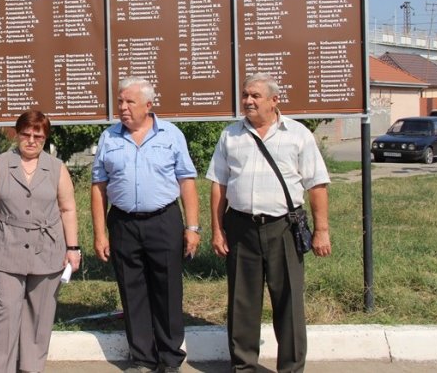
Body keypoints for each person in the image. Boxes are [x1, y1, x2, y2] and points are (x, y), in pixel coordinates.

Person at [206, 72, 332, 373]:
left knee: (289, 303)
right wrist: (217, 229)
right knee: (242, 303)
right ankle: (244, 366)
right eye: (245, 95)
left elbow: (316, 185)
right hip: (240, 227)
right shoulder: (231, 135)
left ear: (274, 100)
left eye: (255, 96)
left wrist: (321, 231)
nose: (248, 101)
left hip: (284, 228)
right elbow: (218, 185)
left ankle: (290, 368)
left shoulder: (298, 134)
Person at [90, 77, 201, 373]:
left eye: (130, 102)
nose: (123, 108)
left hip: (164, 221)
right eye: (120, 102)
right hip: (123, 222)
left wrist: (192, 227)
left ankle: (169, 358)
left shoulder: (171, 135)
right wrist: (100, 233)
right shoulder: (109, 138)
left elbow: (187, 181)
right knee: (132, 290)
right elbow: (98, 186)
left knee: (167, 290)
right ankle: (142, 358)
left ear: (149, 105)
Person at [0, 109, 81, 373]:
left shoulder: (57, 169)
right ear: (17, 133)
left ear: (45, 139)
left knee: (39, 317)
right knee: (5, 314)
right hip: (5, 250)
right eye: (26, 134)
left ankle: (32, 368)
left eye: (38, 136)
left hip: (48, 252)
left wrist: (73, 248)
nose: (31, 140)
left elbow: (67, 209)